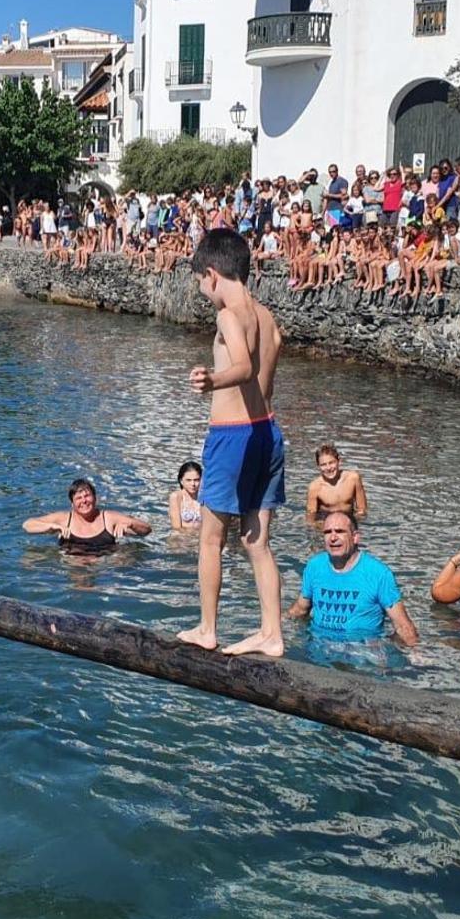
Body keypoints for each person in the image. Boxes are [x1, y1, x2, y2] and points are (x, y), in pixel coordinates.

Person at [176, 229, 286, 657]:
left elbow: (241, 366)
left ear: (211, 273)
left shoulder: (228, 315)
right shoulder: (267, 315)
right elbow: (268, 362)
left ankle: (207, 628)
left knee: (210, 539)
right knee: (257, 542)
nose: (204, 292)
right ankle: (271, 634)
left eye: (201, 283)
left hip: (232, 435)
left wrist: (211, 380)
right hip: (267, 432)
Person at [287, 511, 418, 644]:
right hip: (319, 646)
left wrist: (415, 656)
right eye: (327, 532)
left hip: (362, 651)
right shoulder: (315, 566)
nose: (333, 538)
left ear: (355, 537)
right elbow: (300, 609)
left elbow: (403, 626)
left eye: (339, 531)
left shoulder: (378, 574)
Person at [22, 478, 151, 555]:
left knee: (125, 557)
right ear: (72, 503)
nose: (84, 501)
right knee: (30, 558)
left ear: (95, 498)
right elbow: (27, 525)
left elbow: (146, 530)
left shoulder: (109, 517)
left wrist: (131, 525)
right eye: (78, 498)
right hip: (72, 562)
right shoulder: (64, 519)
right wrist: (50, 526)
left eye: (87, 496)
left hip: (104, 563)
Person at [306, 444, 367, 520]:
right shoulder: (314, 487)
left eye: (331, 462)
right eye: (323, 465)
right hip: (326, 522)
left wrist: (353, 523)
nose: (328, 468)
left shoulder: (353, 478)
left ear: (339, 461)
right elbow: (310, 517)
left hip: (349, 521)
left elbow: (362, 509)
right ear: (318, 466)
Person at [168, 461, 202, 530]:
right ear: (181, 481)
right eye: (188, 480)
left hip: (201, 536)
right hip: (181, 536)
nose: (193, 484)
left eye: (196, 480)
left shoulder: (205, 497)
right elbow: (176, 527)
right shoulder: (176, 497)